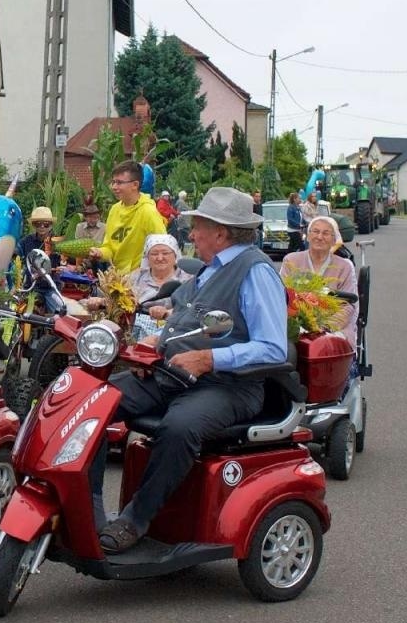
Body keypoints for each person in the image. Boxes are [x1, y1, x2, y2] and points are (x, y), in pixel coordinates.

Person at [95, 188, 288, 553]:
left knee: (179, 427)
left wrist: (210, 359)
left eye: (198, 226)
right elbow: (185, 321)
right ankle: (83, 502)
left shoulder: (256, 271)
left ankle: (135, 519)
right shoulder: (208, 271)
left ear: (221, 232)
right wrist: (154, 347)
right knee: (93, 398)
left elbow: (273, 347)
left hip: (228, 385)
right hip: (172, 374)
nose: (192, 234)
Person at [280, 215, 358, 345]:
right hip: (295, 324)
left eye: (326, 233)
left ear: (334, 240)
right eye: (315, 231)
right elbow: (280, 296)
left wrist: (324, 327)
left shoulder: (344, 266)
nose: (320, 237)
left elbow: (349, 305)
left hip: (333, 327)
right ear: (308, 236)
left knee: (328, 346)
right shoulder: (291, 260)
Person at [90, 161, 168, 274]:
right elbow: (109, 247)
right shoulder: (114, 210)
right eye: (113, 182)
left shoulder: (148, 212)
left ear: (135, 185)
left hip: (141, 279)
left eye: (119, 183)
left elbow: (163, 247)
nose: (114, 187)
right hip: (117, 277)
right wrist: (100, 253)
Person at [19, 206, 60, 270]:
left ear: (51, 225)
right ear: (33, 225)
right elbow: (14, 251)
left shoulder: (57, 242)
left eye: (46, 224)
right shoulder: (26, 241)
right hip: (31, 279)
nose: (42, 226)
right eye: (38, 224)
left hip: (52, 279)